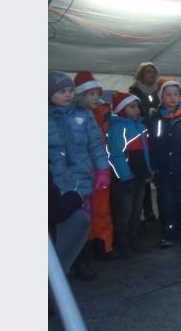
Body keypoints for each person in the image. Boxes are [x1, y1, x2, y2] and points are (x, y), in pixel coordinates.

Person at [48, 71, 110, 279]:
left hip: (81, 179)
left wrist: (102, 169)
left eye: (70, 91)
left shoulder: (83, 115)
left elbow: (95, 145)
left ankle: (82, 261)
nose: (67, 95)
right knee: (60, 223)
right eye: (61, 91)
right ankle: (59, 265)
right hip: (55, 181)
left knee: (83, 221)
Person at [146, 79, 181, 248]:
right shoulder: (155, 119)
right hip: (164, 169)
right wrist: (153, 166)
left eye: (176, 94)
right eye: (168, 94)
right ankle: (167, 233)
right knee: (166, 202)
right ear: (161, 97)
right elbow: (151, 145)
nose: (172, 97)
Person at [73, 71, 118, 261]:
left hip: (101, 169)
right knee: (83, 210)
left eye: (97, 94)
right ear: (81, 96)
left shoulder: (104, 114)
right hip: (82, 170)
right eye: (90, 94)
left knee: (102, 208)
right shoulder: (75, 116)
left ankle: (104, 244)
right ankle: (84, 248)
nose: (95, 98)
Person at [106, 92, 153, 257]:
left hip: (139, 176)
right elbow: (115, 154)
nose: (136, 110)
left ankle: (134, 239)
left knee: (136, 210)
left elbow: (145, 152)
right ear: (121, 109)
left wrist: (148, 171)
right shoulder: (118, 127)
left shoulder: (140, 127)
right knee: (124, 211)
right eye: (132, 107)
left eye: (137, 106)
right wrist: (125, 177)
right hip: (124, 178)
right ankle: (122, 242)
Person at [128, 62, 161, 223]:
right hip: (141, 135)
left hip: (158, 135)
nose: (151, 75)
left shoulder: (160, 91)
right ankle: (146, 211)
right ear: (141, 74)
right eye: (148, 72)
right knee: (144, 175)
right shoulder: (134, 92)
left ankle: (159, 211)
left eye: (153, 72)